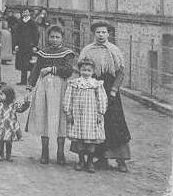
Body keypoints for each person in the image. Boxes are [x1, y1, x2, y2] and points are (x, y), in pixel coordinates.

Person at [78, 21, 132, 172]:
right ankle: (100, 158)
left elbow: (120, 72)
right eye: (98, 32)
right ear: (93, 34)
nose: (101, 35)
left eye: (104, 32)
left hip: (110, 89)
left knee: (115, 122)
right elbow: (82, 69)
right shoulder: (87, 50)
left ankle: (121, 159)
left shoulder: (114, 50)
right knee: (95, 122)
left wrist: (114, 90)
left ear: (108, 34)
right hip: (93, 89)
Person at [26, 25, 75, 165]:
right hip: (44, 88)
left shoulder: (67, 53)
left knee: (61, 119)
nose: (54, 39)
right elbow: (36, 70)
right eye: (52, 36)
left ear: (62, 38)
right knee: (44, 117)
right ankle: (45, 152)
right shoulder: (43, 53)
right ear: (48, 37)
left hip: (61, 88)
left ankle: (60, 152)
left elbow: (68, 70)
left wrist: (50, 69)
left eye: (57, 37)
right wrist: (30, 86)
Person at [64, 59, 108, 173]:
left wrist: (100, 113)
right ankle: (81, 160)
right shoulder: (74, 83)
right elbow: (68, 98)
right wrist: (68, 112)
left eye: (89, 70)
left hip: (91, 115)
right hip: (77, 115)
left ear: (93, 71)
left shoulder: (96, 84)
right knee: (79, 139)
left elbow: (102, 99)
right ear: (79, 70)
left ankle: (90, 161)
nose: (86, 72)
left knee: (91, 140)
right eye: (83, 69)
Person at [0, 84, 30, 162]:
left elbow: (21, 109)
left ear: (8, 95)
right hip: (0, 126)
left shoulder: (13, 105)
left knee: (9, 142)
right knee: (0, 141)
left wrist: (26, 103)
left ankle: (8, 155)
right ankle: (1, 155)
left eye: (1, 94)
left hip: (10, 127)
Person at [13, 9, 39, 85]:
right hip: (21, 46)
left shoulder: (32, 23)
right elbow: (16, 34)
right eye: (24, 12)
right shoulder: (20, 22)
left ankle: (31, 80)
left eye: (26, 12)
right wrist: (16, 44)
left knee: (29, 64)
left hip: (29, 46)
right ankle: (23, 81)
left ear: (29, 13)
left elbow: (36, 34)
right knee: (22, 64)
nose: (25, 13)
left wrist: (35, 45)